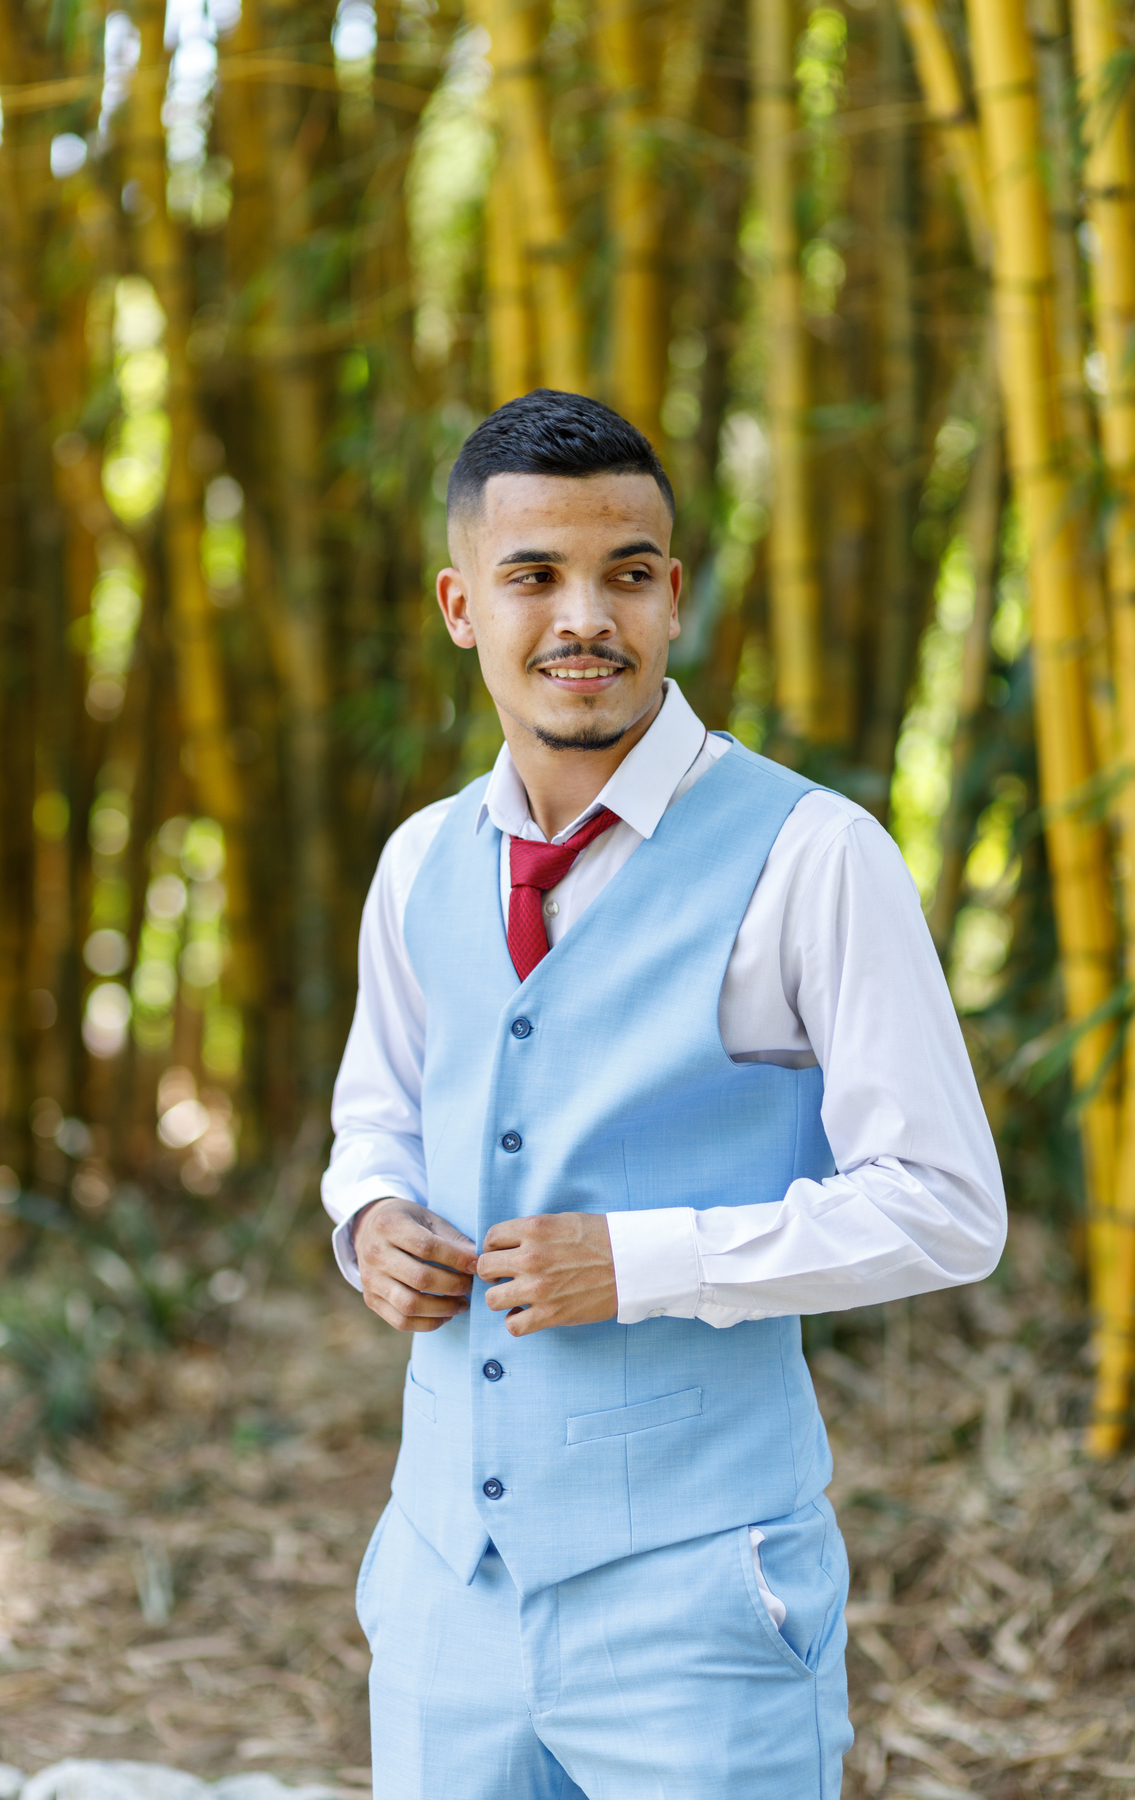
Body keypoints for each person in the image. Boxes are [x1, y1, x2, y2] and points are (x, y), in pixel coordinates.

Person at [321, 388, 1005, 1800]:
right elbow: (374, 1117)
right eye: (535, 577)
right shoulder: (418, 863)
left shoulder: (815, 855)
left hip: (699, 1611)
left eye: (626, 574)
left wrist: (641, 1262)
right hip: (446, 1588)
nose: (586, 618)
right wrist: (368, 1218)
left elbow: (948, 1209)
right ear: (462, 606)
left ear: (674, 595)